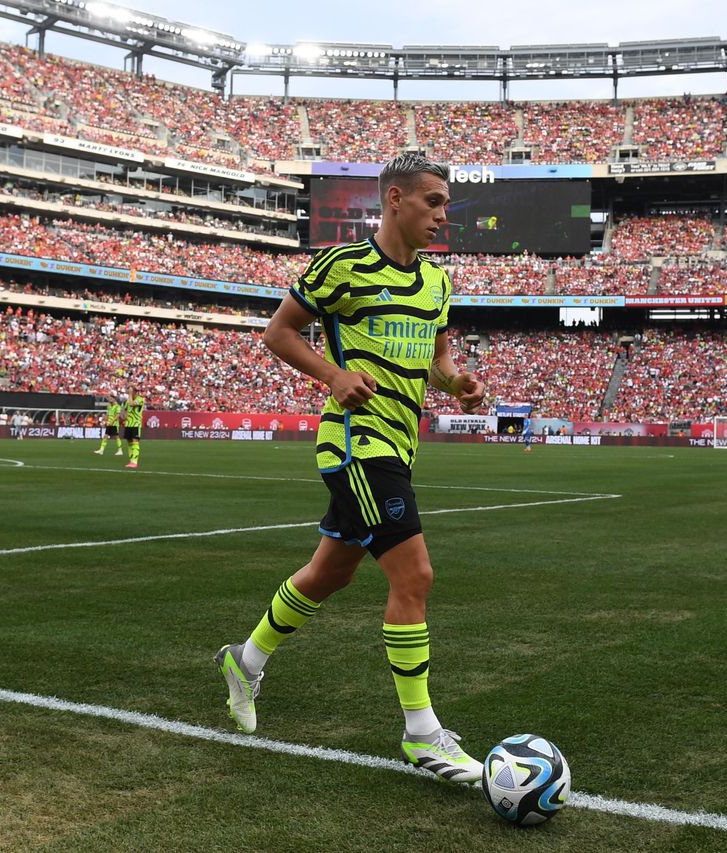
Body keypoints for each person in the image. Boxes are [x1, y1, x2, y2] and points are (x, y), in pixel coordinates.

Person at [215, 153, 488, 784]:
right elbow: (279, 332)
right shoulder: (343, 267)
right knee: (414, 575)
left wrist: (457, 384)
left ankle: (245, 662)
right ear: (396, 199)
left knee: (328, 573)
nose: (442, 216)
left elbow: (439, 357)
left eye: (445, 204)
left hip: (400, 447)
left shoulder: (437, 283)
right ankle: (422, 735)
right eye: (433, 202)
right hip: (357, 447)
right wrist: (332, 373)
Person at [121, 388, 145, 469]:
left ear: (135, 392)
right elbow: (125, 409)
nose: (129, 392)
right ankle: (131, 461)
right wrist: (124, 416)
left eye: (131, 391)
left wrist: (130, 395)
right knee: (129, 442)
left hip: (136, 424)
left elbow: (131, 404)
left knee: (135, 441)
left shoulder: (140, 399)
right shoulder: (128, 400)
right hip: (128, 424)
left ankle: (134, 462)